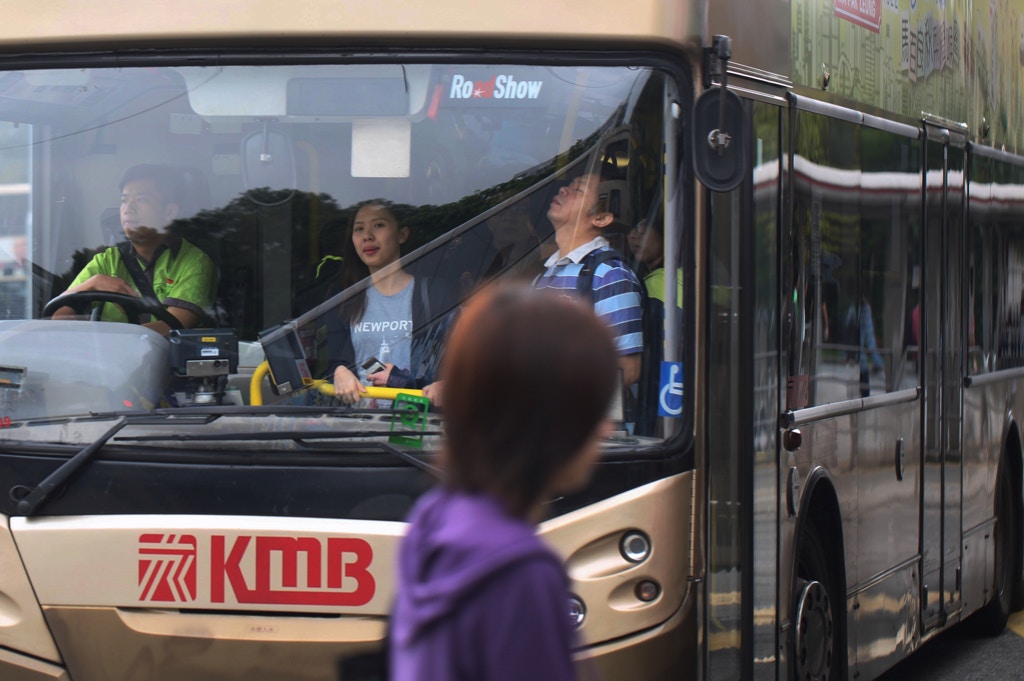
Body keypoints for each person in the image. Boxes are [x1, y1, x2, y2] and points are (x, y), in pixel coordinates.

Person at [389, 284, 618, 681]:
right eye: (590, 408)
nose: (606, 429)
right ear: (543, 420)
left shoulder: (435, 516)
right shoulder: (520, 573)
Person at [51, 164, 216, 335]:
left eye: (141, 200)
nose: (128, 209)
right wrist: (91, 284)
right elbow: (57, 318)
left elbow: (172, 327)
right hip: (108, 360)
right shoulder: (107, 261)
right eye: (124, 201)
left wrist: (105, 342)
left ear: (169, 211)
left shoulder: (194, 262)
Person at [328, 200, 454, 405]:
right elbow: (337, 360)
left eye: (378, 225)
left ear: (402, 234)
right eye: (359, 229)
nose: (367, 236)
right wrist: (339, 370)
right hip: (356, 424)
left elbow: (462, 358)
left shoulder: (433, 293)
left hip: (419, 424)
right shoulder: (343, 296)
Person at [533, 171, 644, 386]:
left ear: (601, 218)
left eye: (579, 190)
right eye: (569, 185)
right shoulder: (542, 276)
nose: (563, 190)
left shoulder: (609, 275)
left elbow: (627, 370)